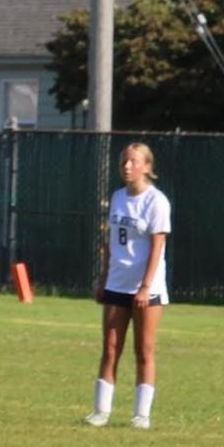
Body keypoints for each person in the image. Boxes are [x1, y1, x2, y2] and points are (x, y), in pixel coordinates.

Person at [85, 142, 171, 430]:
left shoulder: (156, 201)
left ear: (147, 167)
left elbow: (158, 247)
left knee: (143, 350)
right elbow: (111, 243)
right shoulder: (118, 197)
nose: (126, 166)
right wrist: (103, 278)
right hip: (116, 285)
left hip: (147, 288)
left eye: (133, 162)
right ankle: (100, 411)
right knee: (110, 349)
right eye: (124, 161)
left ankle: (141, 415)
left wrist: (146, 287)